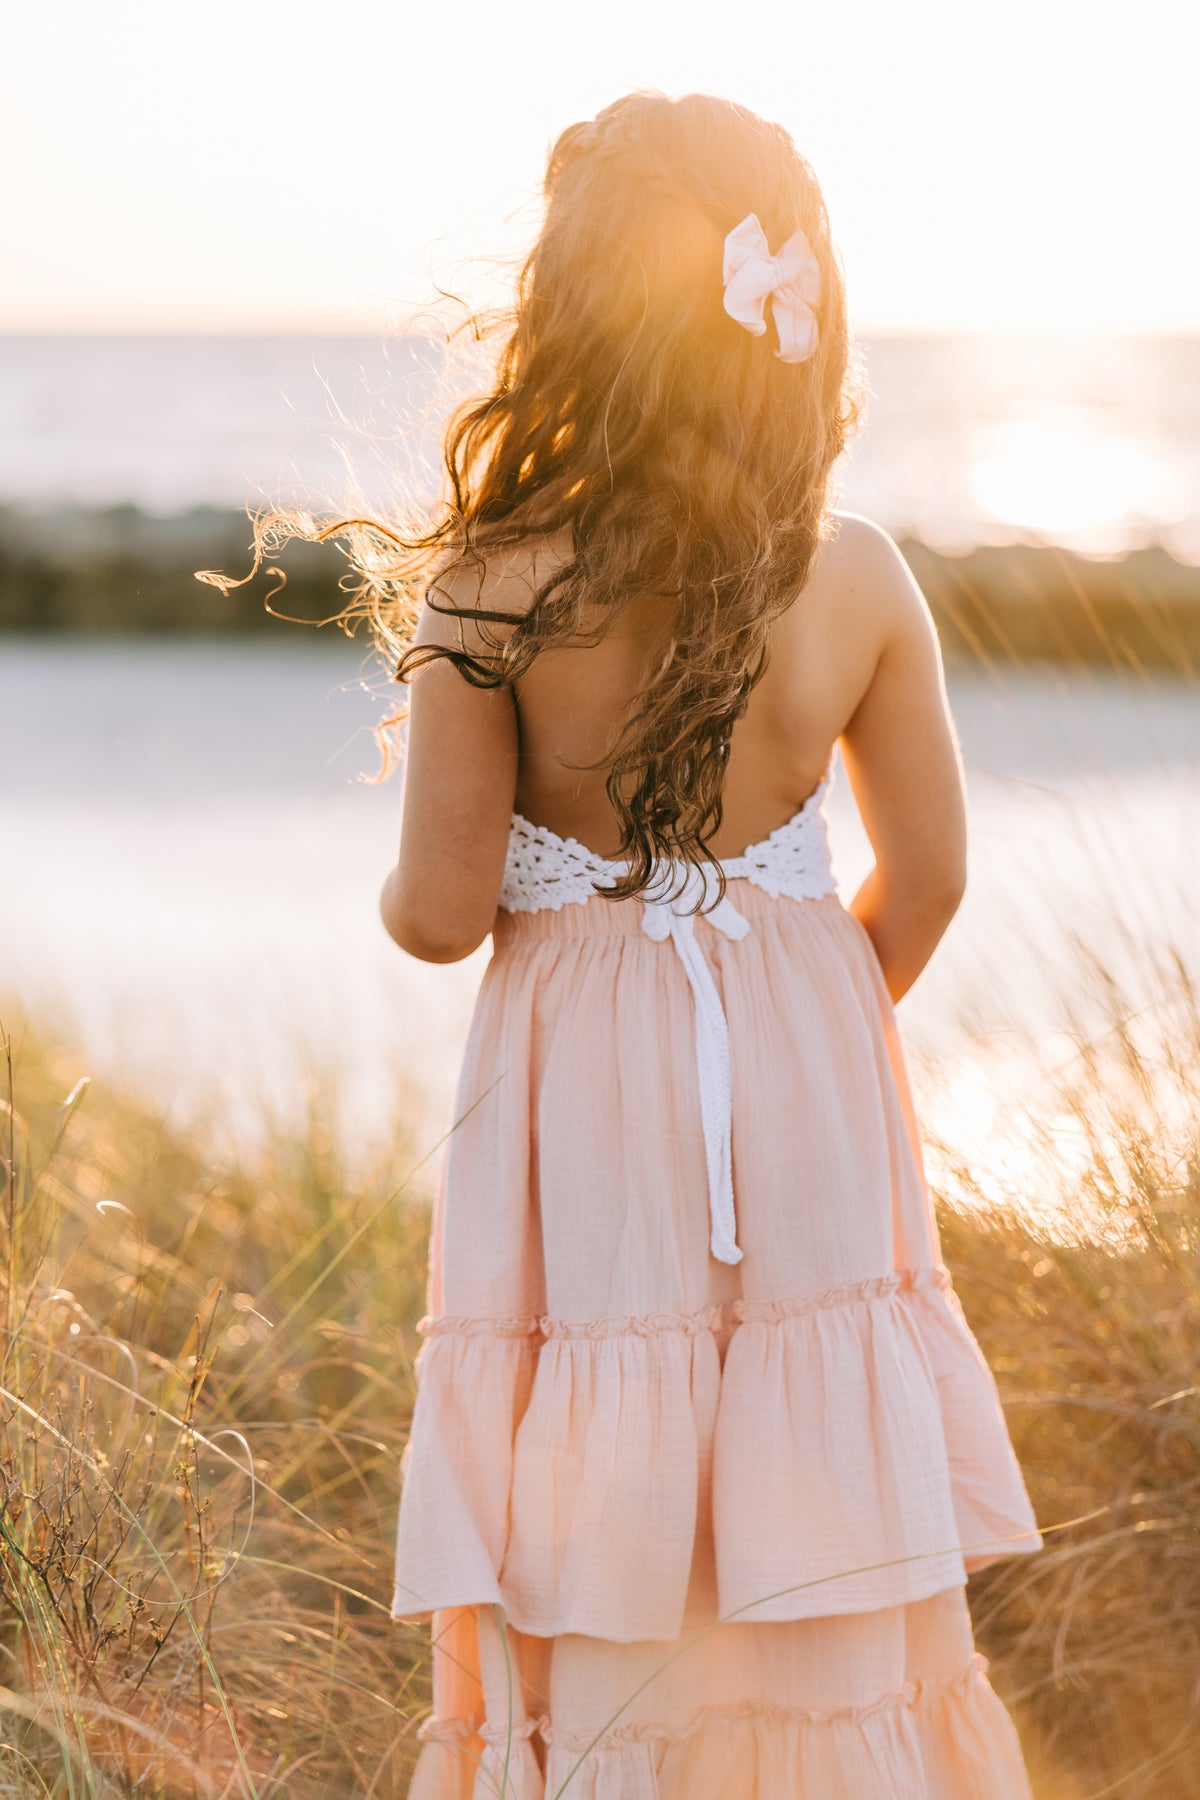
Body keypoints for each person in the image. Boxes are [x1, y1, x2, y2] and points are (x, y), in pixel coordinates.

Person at [380, 89, 1044, 1799]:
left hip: (587, 1114)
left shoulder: (496, 588)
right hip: (814, 1096)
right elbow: (936, 874)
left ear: (573, 316)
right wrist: (795, 1012)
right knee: (819, 1501)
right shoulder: (863, 575)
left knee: (605, 1486)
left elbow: (441, 919)